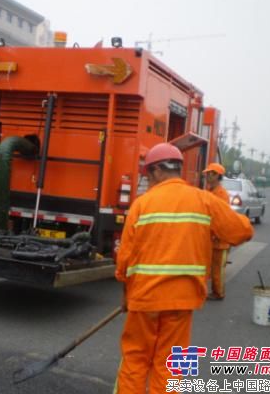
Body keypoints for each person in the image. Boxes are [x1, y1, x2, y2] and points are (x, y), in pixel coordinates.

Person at [113, 143, 253, 393]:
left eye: (148, 175)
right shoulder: (204, 200)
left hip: (143, 300)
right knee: (172, 365)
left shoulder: (141, 205)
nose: (149, 181)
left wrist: (127, 296)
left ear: (156, 171)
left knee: (135, 361)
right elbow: (243, 231)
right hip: (182, 300)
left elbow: (125, 259)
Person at [202, 162, 231, 300]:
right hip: (210, 237)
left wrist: (216, 234)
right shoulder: (209, 191)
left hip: (219, 238)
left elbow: (221, 217)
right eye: (207, 173)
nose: (207, 176)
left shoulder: (222, 194)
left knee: (218, 269)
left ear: (217, 176)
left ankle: (218, 293)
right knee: (210, 267)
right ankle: (212, 290)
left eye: (210, 173)